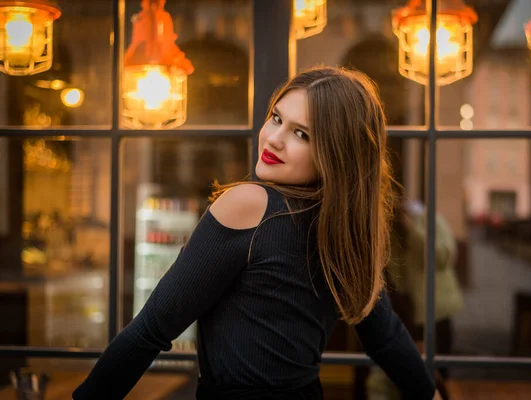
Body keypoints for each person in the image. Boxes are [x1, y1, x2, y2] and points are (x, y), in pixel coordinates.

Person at [72, 67, 438, 399]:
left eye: (301, 134)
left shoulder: (249, 205)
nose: (274, 139)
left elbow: (151, 329)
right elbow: (385, 338)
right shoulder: (346, 228)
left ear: (336, 154)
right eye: (276, 118)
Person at [367, 200, 464, 400]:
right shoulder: (394, 231)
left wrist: (413, 231)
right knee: (411, 373)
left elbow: (442, 256)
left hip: (437, 310)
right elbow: (395, 272)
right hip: (412, 314)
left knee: (438, 373)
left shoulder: (431, 220)